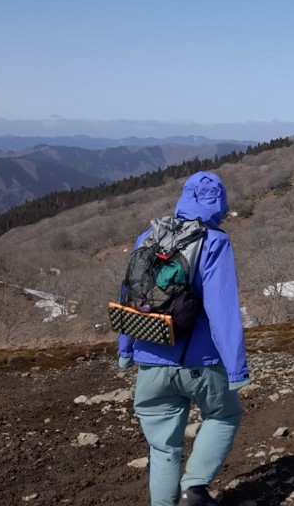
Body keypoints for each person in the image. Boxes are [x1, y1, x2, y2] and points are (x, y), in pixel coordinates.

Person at [118, 171, 250, 506]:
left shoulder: (149, 235)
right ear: (219, 203)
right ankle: (194, 488)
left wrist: (125, 348)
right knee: (224, 415)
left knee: (163, 448)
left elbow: (128, 295)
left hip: (150, 357)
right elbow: (222, 309)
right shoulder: (214, 241)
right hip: (200, 360)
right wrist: (236, 369)